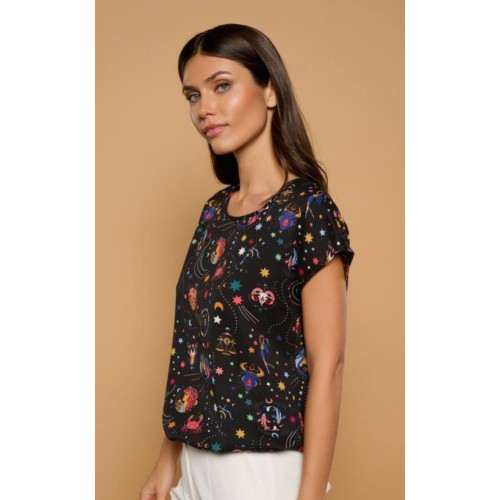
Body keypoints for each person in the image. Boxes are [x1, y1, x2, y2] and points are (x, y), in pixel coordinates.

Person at [140, 23, 355, 500]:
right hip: (195, 462)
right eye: (193, 95)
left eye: (221, 86)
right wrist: (168, 459)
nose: (204, 109)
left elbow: (329, 365)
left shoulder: (308, 210)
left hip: (260, 469)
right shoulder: (215, 212)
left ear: (270, 91)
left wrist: (310, 495)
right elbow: (196, 349)